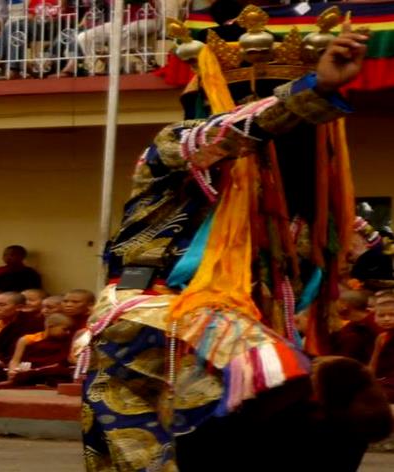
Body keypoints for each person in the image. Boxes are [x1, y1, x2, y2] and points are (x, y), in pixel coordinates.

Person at [80, 14, 394, 470]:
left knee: (336, 410)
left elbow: (381, 258)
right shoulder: (175, 151)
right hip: (154, 319)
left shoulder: (318, 213)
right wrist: (316, 90)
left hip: (244, 343)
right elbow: (226, 134)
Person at [2, 313, 74, 387]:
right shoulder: (27, 340)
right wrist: (12, 372)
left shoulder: (66, 341)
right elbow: (15, 360)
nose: (68, 333)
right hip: (31, 371)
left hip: (52, 371)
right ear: (51, 326)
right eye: (64, 329)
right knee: (23, 376)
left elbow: (68, 359)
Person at [0, 292, 43, 367]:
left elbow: (30, 350)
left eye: (2, 305)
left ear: (19, 307)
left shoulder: (32, 323)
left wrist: (4, 361)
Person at [330, 290, 377, 364]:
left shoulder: (375, 323)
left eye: (336, 301)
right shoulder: (352, 325)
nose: (333, 306)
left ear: (344, 305)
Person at [369, 296, 394, 401]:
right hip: (384, 380)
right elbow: (373, 365)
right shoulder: (381, 338)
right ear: (374, 318)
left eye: (392, 315)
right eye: (381, 315)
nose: (386, 319)